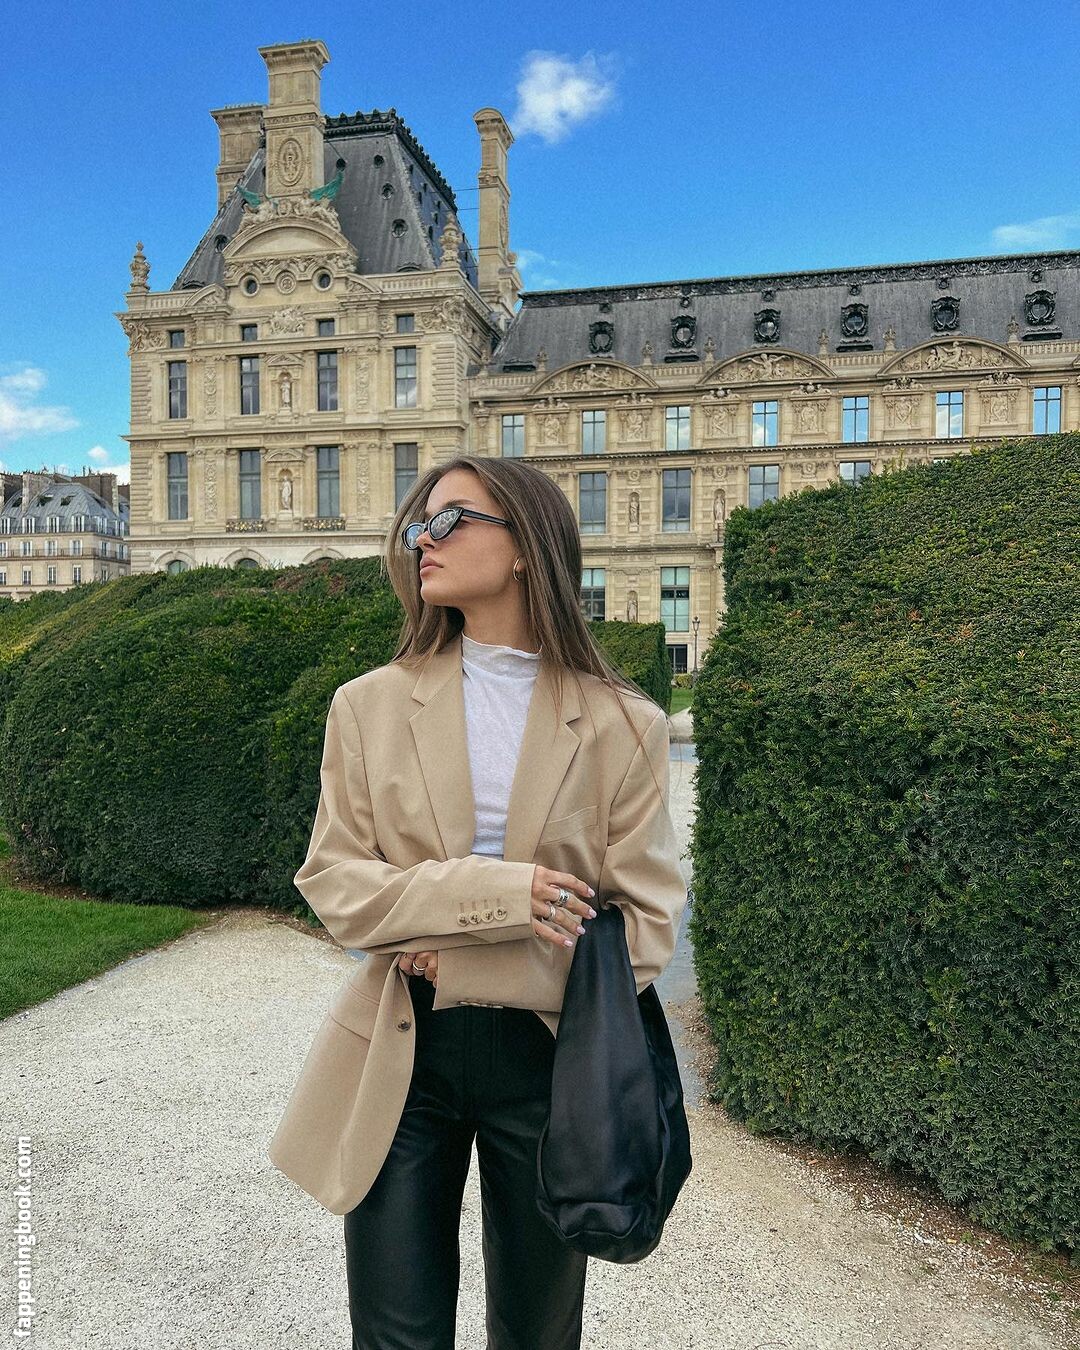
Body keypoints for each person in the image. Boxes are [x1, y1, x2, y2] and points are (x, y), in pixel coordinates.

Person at [268, 455, 688, 1349]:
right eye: (419, 523)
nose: (423, 538)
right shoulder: (367, 706)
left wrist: (447, 945)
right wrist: (500, 895)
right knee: (395, 1334)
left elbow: (644, 931)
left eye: (451, 519)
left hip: (553, 1062)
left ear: (526, 545)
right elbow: (336, 884)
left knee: (538, 1333)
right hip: (401, 1050)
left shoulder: (624, 723)